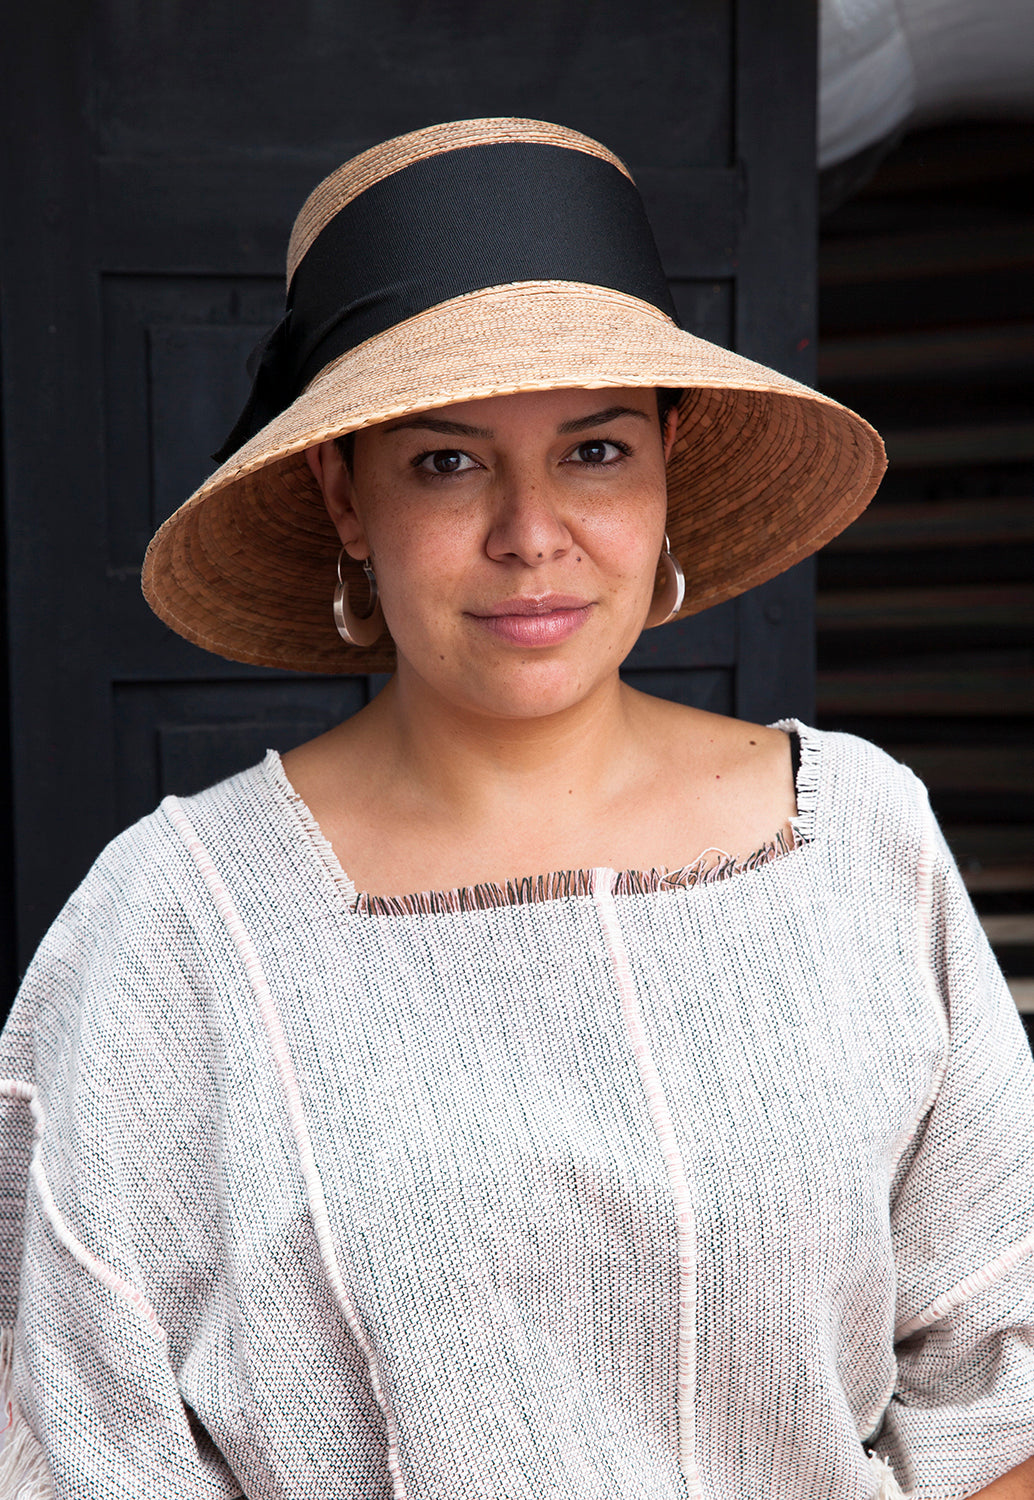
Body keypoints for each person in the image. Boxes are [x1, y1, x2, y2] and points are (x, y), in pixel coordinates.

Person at [1, 117, 1032, 1500]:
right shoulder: (178, 925)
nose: (530, 534)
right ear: (341, 494)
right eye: (444, 460)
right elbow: (80, 1437)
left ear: (668, 461)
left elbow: (1000, 1365)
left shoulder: (853, 841)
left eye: (594, 450)